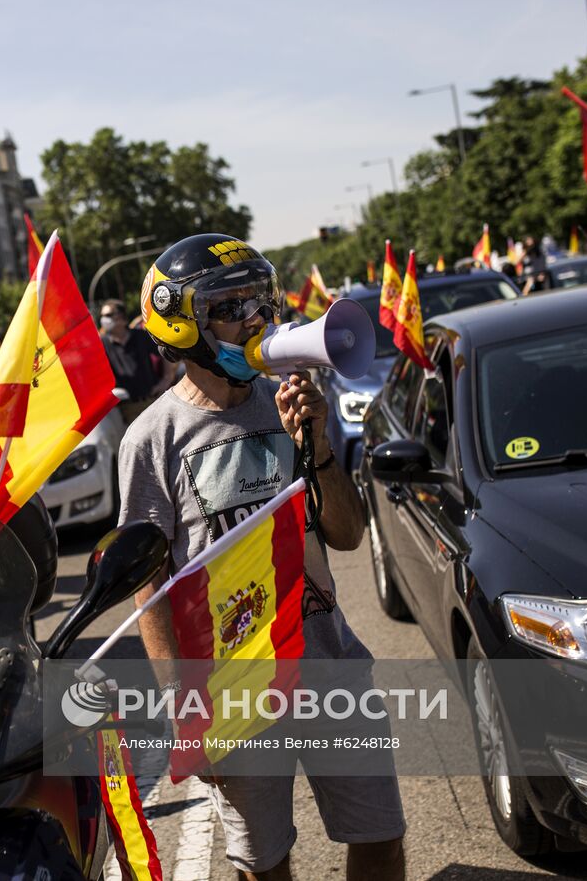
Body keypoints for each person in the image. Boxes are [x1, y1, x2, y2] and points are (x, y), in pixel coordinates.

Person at [119, 234, 406, 881]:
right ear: (182, 323)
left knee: (382, 836)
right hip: (234, 692)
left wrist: (318, 444)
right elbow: (151, 589)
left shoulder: (292, 403)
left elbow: (347, 534)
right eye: (230, 306)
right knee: (264, 863)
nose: (254, 320)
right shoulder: (151, 441)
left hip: (328, 664)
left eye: (259, 301)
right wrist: (185, 711)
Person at [98, 298, 172, 422]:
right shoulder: (102, 344)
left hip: (152, 401)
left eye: (109, 315)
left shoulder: (141, 336)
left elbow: (166, 353)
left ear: (121, 317)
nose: (104, 319)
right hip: (127, 409)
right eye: (103, 316)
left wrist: (167, 379)